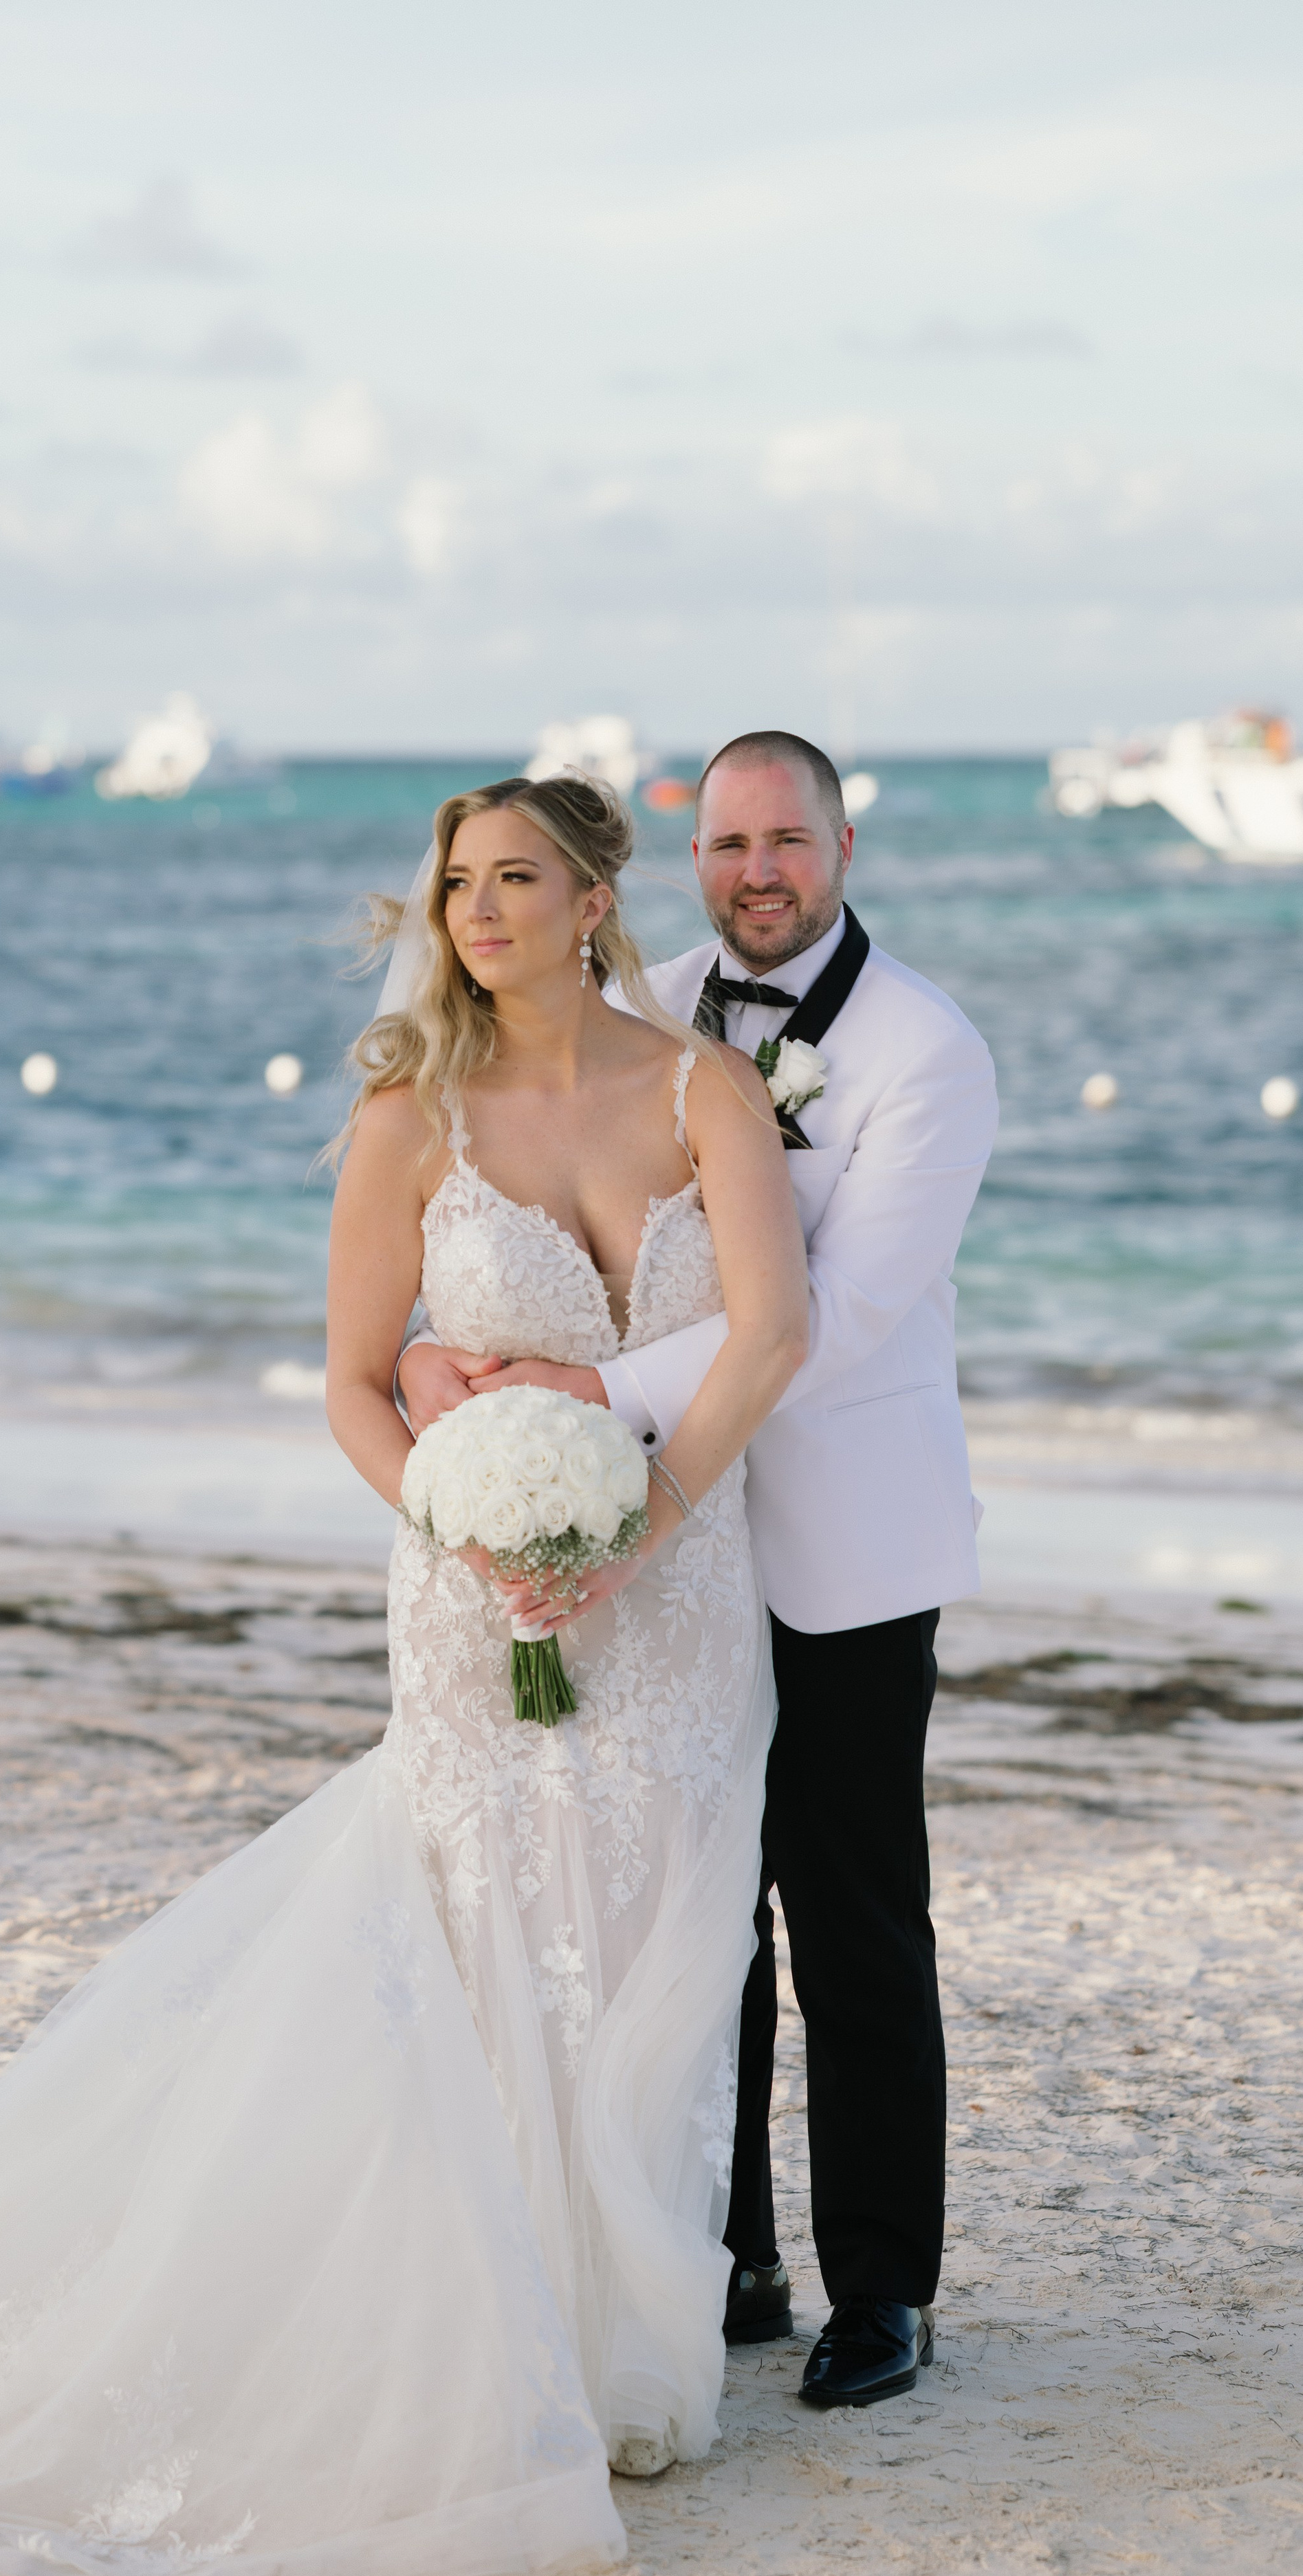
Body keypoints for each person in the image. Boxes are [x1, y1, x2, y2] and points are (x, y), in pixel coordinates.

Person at [0, 775, 807, 2576]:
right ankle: (502, 2348)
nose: (478, 909)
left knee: (661, 1949)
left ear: (598, 898)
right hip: (475, 1599)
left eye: (517, 878)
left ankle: (629, 2356)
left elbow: (769, 1330)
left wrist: (641, 1531)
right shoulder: (409, 1114)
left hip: (682, 1593)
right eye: (457, 880)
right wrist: (466, 1531)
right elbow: (355, 1384)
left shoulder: (707, 1089)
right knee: (484, 1940)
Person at [401, 732, 998, 2410]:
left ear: (840, 843)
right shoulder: (649, 1011)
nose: (755, 870)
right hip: (661, 1548)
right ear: (685, 862)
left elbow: (838, 1315)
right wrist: (450, 1363)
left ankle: (884, 2289)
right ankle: (719, 2250)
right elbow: (546, 1214)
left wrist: (586, 1408)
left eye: (784, 842)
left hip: (839, 1548)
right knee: (682, 1904)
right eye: (727, 842)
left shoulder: (924, 1054)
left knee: (853, 1914)